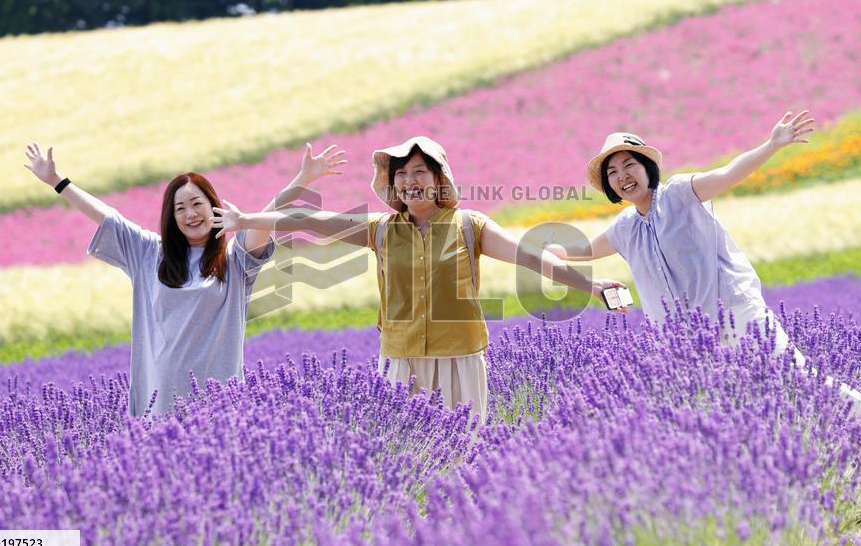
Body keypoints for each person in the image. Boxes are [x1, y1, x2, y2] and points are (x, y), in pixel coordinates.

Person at [210, 137, 626, 423]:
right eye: (402, 175)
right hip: (400, 360)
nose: (410, 182)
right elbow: (311, 222)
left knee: (464, 452)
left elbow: (531, 258)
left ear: (439, 179)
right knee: (406, 453)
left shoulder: (470, 226)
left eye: (419, 172)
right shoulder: (381, 229)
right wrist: (245, 220)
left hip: (459, 359)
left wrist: (591, 285)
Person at [548, 112, 861, 429]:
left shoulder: (680, 194)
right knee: (719, 410)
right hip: (684, 341)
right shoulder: (625, 228)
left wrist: (772, 145)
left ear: (648, 168)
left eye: (629, 165)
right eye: (612, 172)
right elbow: (569, 254)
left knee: (795, 377)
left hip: (737, 315)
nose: (622, 176)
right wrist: (567, 268)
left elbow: (728, 174)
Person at [23, 142, 345, 416]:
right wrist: (57, 181)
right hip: (160, 398)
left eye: (197, 204)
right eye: (180, 208)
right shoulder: (150, 253)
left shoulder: (233, 260)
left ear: (214, 207)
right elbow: (109, 217)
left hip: (220, 403)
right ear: (172, 217)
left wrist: (302, 179)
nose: (190, 214)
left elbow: (261, 225)